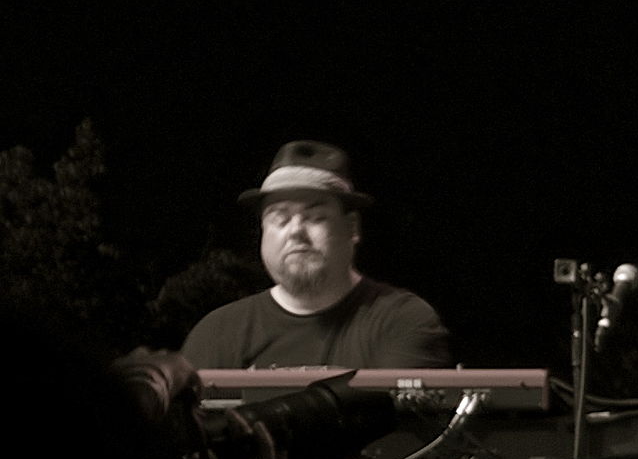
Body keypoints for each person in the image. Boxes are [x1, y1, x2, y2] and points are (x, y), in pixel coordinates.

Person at [181, 140, 452, 369]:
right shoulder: (217, 333)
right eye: (280, 219)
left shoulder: (401, 321)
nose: (295, 231)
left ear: (352, 228)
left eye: (315, 217)